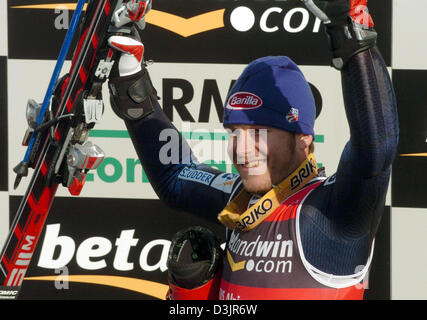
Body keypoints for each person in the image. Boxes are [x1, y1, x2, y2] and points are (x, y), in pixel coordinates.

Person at [107, 0, 399, 300]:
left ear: (303, 137)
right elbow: (175, 175)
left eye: (259, 133)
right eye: (234, 132)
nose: (242, 150)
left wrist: (350, 28)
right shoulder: (240, 199)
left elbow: (376, 150)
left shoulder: (331, 212)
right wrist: (131, 80)